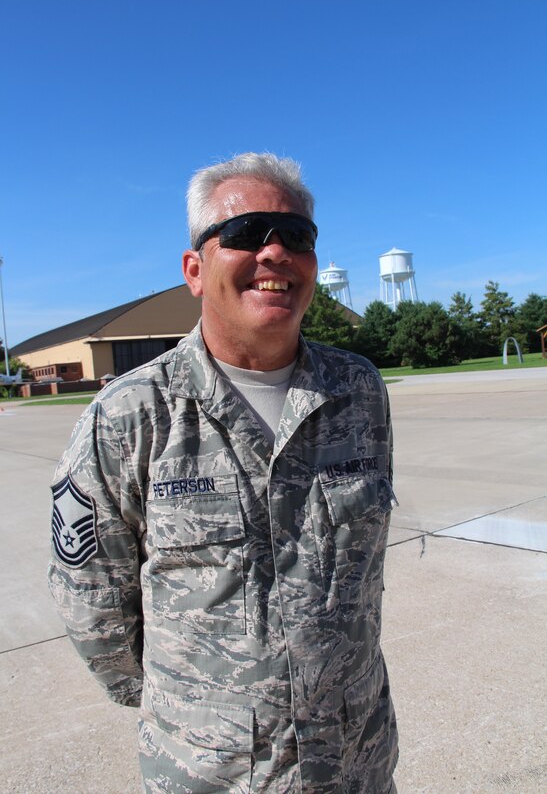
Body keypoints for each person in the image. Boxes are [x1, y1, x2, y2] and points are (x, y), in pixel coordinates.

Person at [48, 153, 399, 792]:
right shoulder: (130, 414)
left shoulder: (358, 391)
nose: (274, 253)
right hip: (213, 772)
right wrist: (198, 709)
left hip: (356, 762)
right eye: (244, 234)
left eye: (296, 236)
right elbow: (93, 599)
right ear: (194, 269)